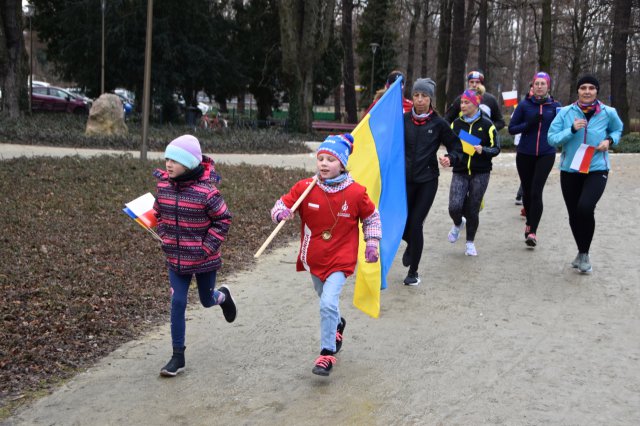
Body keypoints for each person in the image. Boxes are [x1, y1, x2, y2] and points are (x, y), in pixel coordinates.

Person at [270, 134, 381, 377]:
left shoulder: (356, 193)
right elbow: (281, 204)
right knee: (326, 301)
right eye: (320, 158)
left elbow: (372, 217)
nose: (323, 163)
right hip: (314, 259)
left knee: (328, 303)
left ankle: (326, 353)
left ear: (342, 163)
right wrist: (281, 214)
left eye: (330, 159)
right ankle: (338, 324)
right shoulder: (305, 188)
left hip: (341, 259)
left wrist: (372, 242)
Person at [153, 135, 236, 377]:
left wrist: (206, 248)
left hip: (203, 259)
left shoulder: (207, 193)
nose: (168, 165)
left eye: (175, 160)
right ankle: (177, 356)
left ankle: (224, 297)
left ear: (189, 163)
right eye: (167, 159)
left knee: (206, 300)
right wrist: (163, 234)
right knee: (177, 303)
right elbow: (158, 213)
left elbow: (223, 220)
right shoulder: (164, 188)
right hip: (175, 259)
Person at [547, 75, 623, 273]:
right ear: (578, 91)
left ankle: (585, 254)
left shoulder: (609, 112)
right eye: (583, 88)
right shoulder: (565, 113)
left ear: (597, 91)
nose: (587, 91)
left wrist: (609, 141)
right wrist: (571, 130)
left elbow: (617, 129)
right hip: (570, 169)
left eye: (591, 88)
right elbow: (551, 139)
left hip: (597, 168)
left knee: (585, 207)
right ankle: (581, 252)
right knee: (574, 213)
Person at [400, 78, 463, 286]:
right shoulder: (403, 120)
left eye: (424, 96)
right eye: (416, 95)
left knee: (416, 223)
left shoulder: (438, 123)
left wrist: (450, 158)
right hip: (405, 180)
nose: (419, 100)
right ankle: (411, 244)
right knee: (404, 225)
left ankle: (413, 272)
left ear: (430, 99)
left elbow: (457, 147)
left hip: (427, 180)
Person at [508, 72, 561, 247]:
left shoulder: (556, 107)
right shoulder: (524, 106)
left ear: (548, 86)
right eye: (536, 83)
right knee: (528, 191)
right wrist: (528, 123)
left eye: (543, 83)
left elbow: (562, 128)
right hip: (525, 153)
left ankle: (533, 232)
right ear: (532, 86)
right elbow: (512, 129)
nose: (539, 86)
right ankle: (529, 221)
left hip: (546, 153)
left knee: (537, 191)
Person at [447, 88, 500, 256]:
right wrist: (449, 158)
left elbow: (496, 148)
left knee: (473, 209)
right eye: (461, 102)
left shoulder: (487, 125)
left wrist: (482, 150)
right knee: (454, 206)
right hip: (460, 171)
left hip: (481, 172)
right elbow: (453, 148)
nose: (462, 105)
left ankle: (470, 242)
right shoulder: (456, 124)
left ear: (475, 104)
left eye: (466, 102)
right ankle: (457, 223)